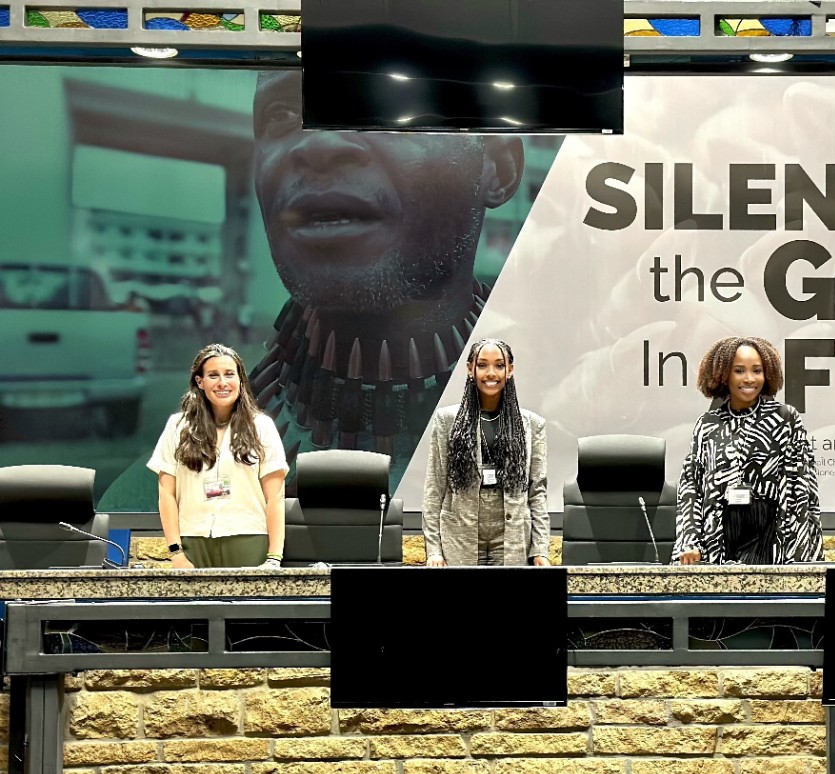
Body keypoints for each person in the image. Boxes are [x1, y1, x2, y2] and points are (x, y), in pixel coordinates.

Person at [246, 71, 526, 488]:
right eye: (284, 113)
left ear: (498, 169)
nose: (321, 142)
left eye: (395, 108)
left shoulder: (553, 434)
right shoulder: (189, 479)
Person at [674, 336, 824, 565]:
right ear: (723, 374)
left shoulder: (785, 418)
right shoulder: (707, 424)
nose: (749, 379)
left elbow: (802, 487)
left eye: (757, 370)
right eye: (739, 371)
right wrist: (690, 541)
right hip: (720, 535)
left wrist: (799, 551)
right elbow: (691, 486)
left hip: (772, 536)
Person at [148, 344, 288, 569]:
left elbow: (275, 497)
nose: (222, 382)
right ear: (199, 382)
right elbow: (166, 493)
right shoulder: (178, 426)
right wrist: (176, 553)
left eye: (230, 374)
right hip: (193, 541)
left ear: (241, 381)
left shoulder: (262, 426)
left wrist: (273, 558)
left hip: (248, 537)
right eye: (213, 375)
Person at [421, 339, 550, 566]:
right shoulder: (446, 421)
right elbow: (435, 486)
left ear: (510, 370)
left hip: (511, 533)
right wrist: (433, 550)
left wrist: (540, 549)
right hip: (459, 532)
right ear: (470, 369)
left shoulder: (532, 424)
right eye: (482, 365)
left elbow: (537, 491)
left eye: (499, 365)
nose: (491, 373)